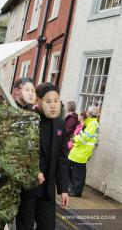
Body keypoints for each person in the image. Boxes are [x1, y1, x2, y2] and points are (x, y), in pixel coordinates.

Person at [16, 82, 69, 230]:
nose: (53, 105)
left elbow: (62, 158)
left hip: (48, 190)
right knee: (25, 226)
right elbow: (19, 153)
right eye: (48, 101)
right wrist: (34, 170)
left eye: (56, 100)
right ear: (37, 101)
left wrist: (63, 189)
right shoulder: (28, 120)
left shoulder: (60, 124)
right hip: (28, 188)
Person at [68, 106, 100, 197]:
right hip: (79, 151)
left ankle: (76, 192)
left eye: (87, 112)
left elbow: (84, 137)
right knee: (76, 172)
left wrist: (75, 138)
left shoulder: (92, 124)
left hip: (82, 152)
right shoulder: (91, 123)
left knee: (78, 174)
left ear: (89, 114)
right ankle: (74, 189)